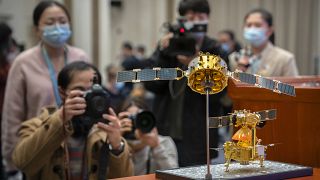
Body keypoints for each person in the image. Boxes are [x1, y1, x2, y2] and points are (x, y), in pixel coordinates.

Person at [1, 1, 90, 177]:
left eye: (62, 21)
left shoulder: (80, 57)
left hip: (77, 145)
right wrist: (11, 160)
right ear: (36, 29)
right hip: (38, 145)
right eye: (50, 23)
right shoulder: (23, 63)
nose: (57, 27)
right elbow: (12, 115)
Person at [12, 61, 133, 179]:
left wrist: (117, 147)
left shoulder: (106, 131)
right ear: (62, 92)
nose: (88, 97)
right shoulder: (36, 125)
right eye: (80, 90)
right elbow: (22, 163)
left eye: (92, 91)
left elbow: (126, 177)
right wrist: (60, 119)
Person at [144, 0, 228, 167]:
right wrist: (163, 52)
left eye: (200, 17)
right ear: (181, 20)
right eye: (190, 17)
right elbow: (150, 83)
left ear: (208, 19)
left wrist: (196, 63)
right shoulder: (169, 46)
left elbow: (218, 94)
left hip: (198, 137)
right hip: (165, 135)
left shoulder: (215, 50)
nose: (195, 21)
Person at [229, 8, 299, 77]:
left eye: (257, 25)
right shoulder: (235, 57)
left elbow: (293, 87)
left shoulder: (285, 59)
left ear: (270, 31)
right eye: (249, 25)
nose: (252, 29)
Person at [119, 97, 178, 175]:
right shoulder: (118, 146)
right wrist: (117, 144)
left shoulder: (164, 142)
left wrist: (156, 147)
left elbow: (175, 176)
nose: (135, 124)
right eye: (130, 119)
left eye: (139, 118)